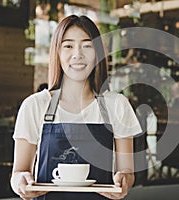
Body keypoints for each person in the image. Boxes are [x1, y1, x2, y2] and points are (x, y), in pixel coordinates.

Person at [10, 15, 142, 200]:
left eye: (87, 46)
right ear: (57, 52)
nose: (78, 54)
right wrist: (21, 183)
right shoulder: (35, 105)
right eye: (68, 46)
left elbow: (127, 172)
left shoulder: (117, 105)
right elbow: (18, 173)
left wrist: (124, 180)